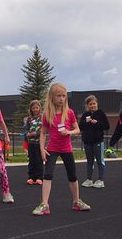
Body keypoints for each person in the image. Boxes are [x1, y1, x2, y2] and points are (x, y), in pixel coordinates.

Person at [32, 83, 91, 215]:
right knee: (47, 174)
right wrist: (42, 148)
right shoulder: (47, 114)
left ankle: (76, 201)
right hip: (52, 149)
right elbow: (43, 132)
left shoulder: (69, 113)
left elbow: (77, 129)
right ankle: (45, 204)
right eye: (58, 96)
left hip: (66, 149)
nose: (61, 98)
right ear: (52, 97)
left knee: (72, 175)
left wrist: (69, 132)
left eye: (64, 96)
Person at [79, 95, 110, 189]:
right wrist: (86, 122)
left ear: (97, 103)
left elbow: (106, 126)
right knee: (89, 161)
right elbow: (80, 127)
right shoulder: (85, 115)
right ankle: (89, 179)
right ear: (87, 105)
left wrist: (97, 123)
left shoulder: (101, 113)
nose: (92, 106)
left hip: (98, 142)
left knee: (100, 161)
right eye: (90, 104)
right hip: (87, 142)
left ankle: (100, 180)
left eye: (94, 103)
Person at [24, 100, 44, 185]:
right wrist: (27, 134)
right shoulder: (29, 119)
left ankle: (39, 177)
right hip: (31, 143)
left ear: (40, 108)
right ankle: (31, 177)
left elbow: (44, 130)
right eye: (33, 108)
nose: (35, 109)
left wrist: (36, 133)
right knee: (31, 160)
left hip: (39, 143)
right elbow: (26, 129)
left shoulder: (42, 118)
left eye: (37, 107)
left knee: (39, 160)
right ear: (31, 109)